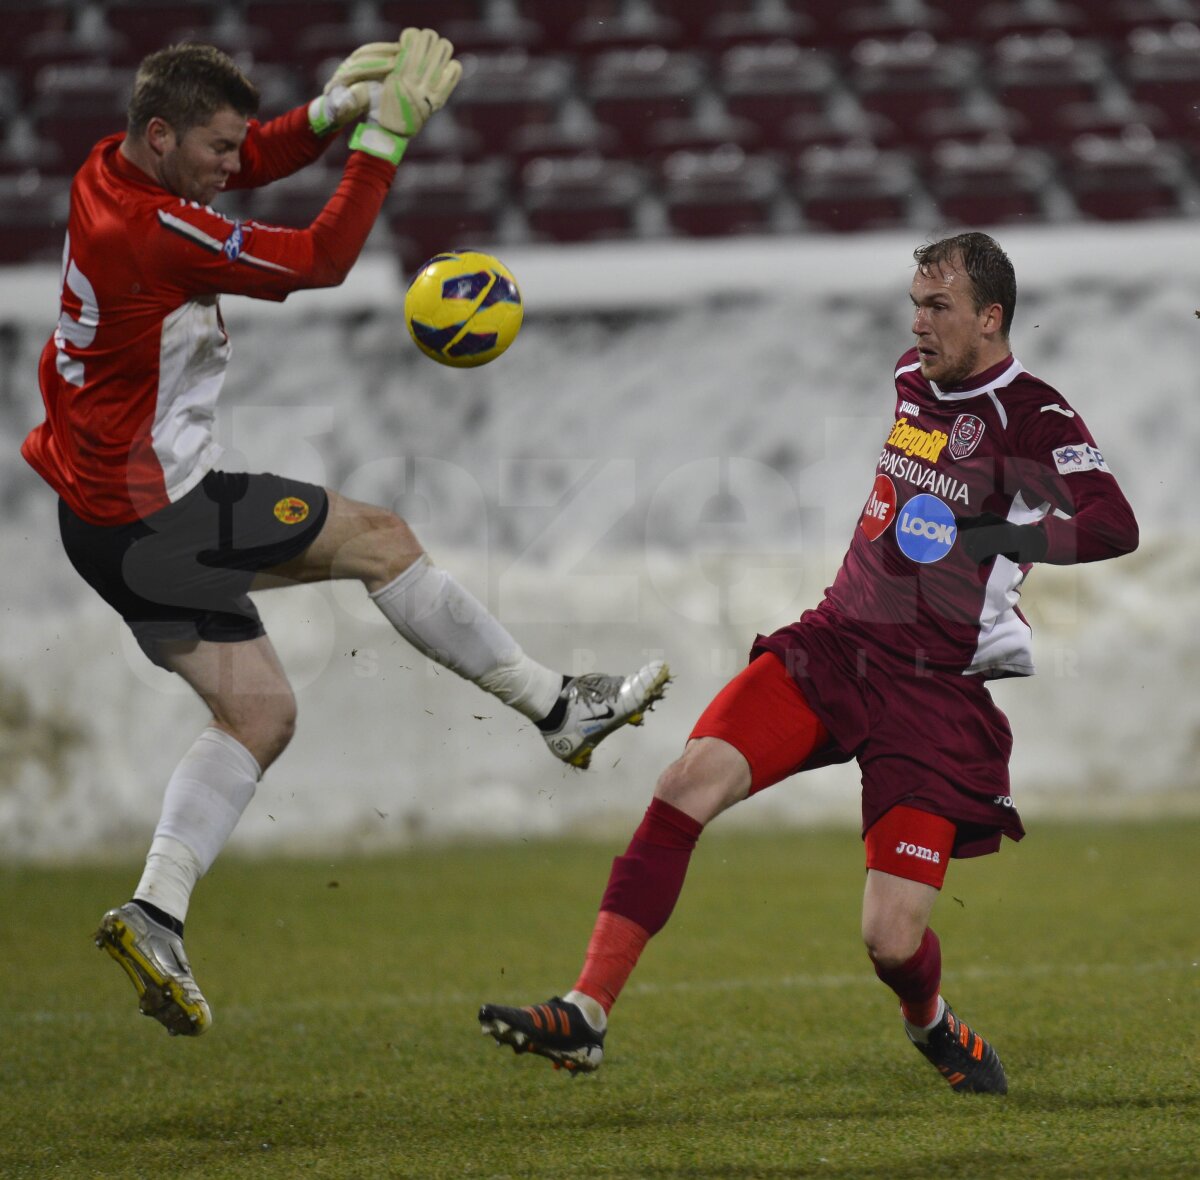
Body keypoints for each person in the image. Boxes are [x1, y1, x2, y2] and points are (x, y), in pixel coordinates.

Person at [23, 34, 669, 1038]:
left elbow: (244, 169)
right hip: (163, 511)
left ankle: (154, 912)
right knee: (379, 537)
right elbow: (321, 259)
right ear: (161, 137)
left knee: (261, 716)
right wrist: (384, 139)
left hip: (96, 517)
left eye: (237, 145)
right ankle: (557, 709)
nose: (232, 166)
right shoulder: (153, 233)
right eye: (217, 149)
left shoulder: (109, 169)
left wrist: (321, 115)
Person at [478, 231, 1139, 1093]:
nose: (919, 323)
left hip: (933, 695)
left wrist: (1008, 534)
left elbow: (1113, 522)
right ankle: (587, 1012)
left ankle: (931, 1023)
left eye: (938, 307)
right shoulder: (914, 378)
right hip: (835, 645)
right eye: (915, 303)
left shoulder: (1033, 415)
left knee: (890, 941)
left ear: (992, 317)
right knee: (686, 784)